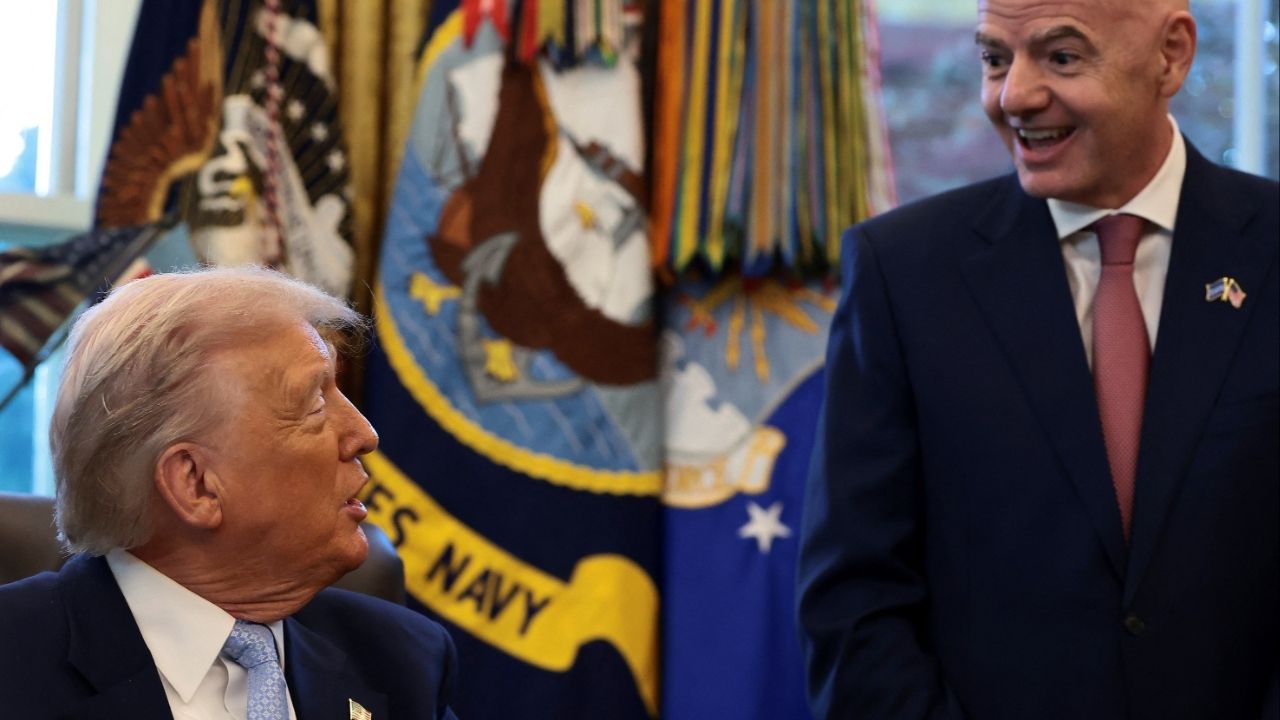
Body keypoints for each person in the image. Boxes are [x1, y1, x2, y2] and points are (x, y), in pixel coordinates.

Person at [797, 0, 1277, 718]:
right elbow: (855, 601)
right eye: (994, 57)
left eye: (1061, 56)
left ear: (1171, 56)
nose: (1013, 95)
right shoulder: (903, 273)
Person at [0, 268, 459, 718]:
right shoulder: (15, 665)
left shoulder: (403, 662)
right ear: (195, 484)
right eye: (315, 403)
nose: (364, 433)